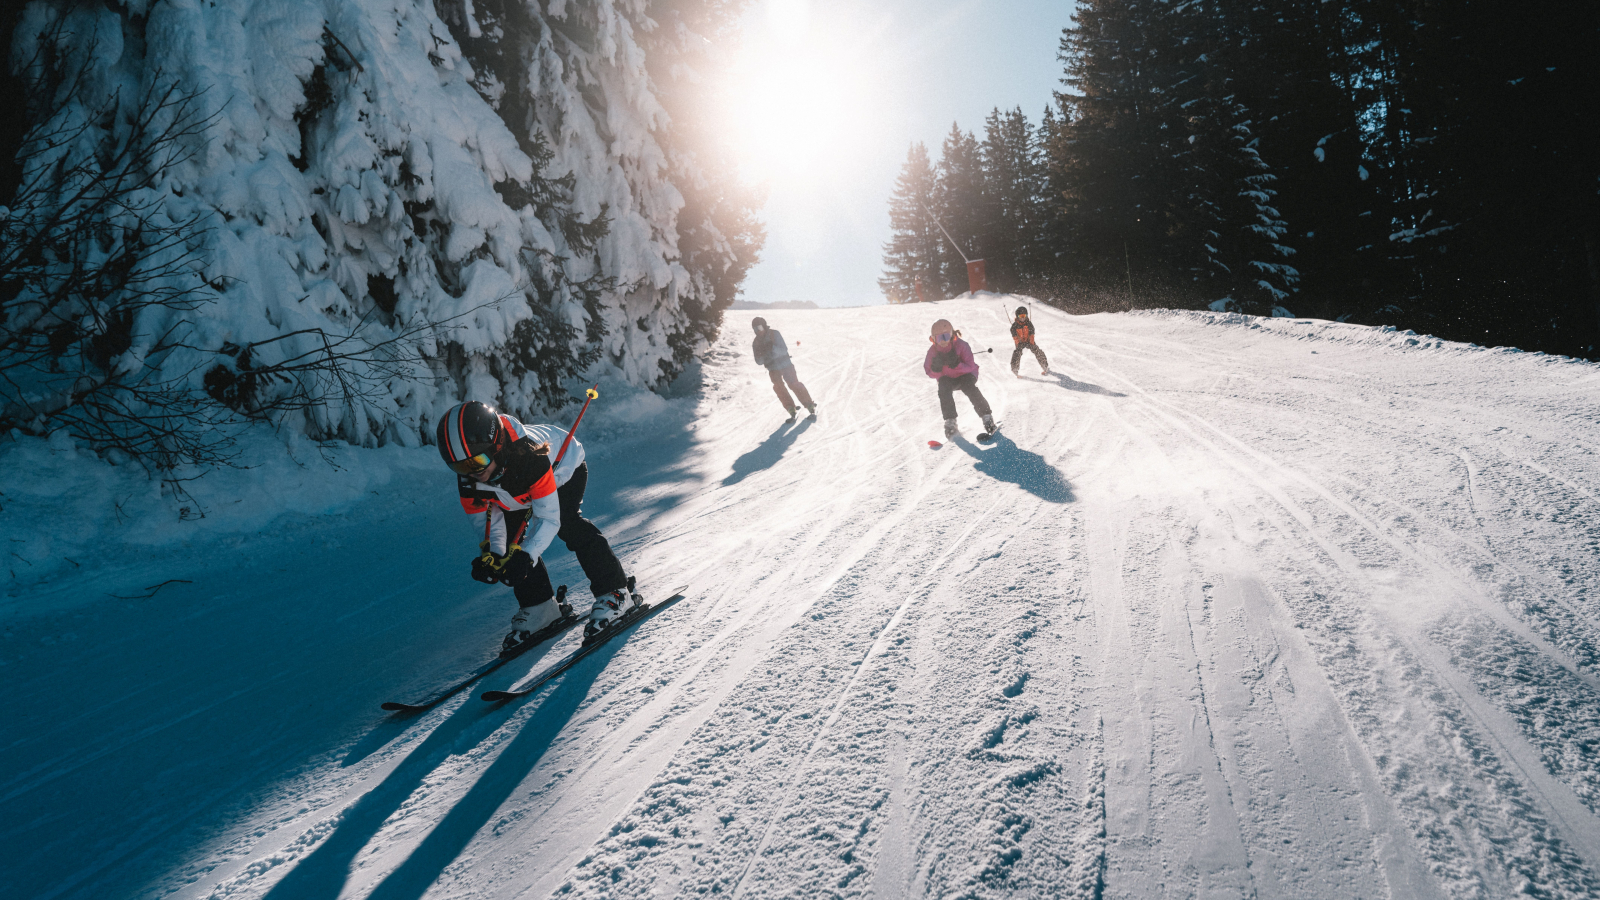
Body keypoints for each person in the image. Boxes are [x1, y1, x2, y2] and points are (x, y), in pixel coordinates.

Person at [436, 400, 638, 647]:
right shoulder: (469, 478)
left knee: (567, 523)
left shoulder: (530, 456)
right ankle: (540, 607)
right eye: (459, 467)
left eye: (476, 463)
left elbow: (548, 518)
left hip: (563, 471)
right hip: (512, 495)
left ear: (496, 446)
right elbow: (488, 523)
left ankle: (615, 591)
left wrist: (527, 555)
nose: (471, 472)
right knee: (512, 544)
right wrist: (493, 556)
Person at [924, 318, 997, 438]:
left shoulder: (962, 345)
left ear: (952, 335)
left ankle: (986, 416)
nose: (943, 341)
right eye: (939, 338)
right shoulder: (933, 351)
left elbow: (970, 366)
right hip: (948, 378)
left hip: (966, 375)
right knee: (943, 387)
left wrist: (957, 365)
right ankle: (950, 421)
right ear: (933, 339)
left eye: (946, 337)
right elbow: (928, 371)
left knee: (969, 387)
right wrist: (936, 370)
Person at [751, 317, 816, 420]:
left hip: (785, 364)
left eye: (759, 328)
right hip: (773, 368)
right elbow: (758, 361)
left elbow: (784, 350)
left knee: (793, 383)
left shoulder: (774, 334)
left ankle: (809, 404)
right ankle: (790, 408)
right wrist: (763, 353)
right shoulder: (756, 343)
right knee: (778, 387)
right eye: (755, 329)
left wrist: (772, 348)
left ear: (764, 326)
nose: (758, 331)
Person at [1008, 306, 1050, 377]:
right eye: (1020, 316)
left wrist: (1031, 343)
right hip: (1020, 342)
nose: (1022, 318)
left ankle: (1044, 366)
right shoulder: (1014, 326)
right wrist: (1018, 345)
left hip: (1029, 341)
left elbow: (1032, 335)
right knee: (1017, 353)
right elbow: (1015, 338)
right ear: (1017, 316)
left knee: (1037, 350)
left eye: (1024, 315)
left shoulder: (1029, 324)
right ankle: (1015, 369)